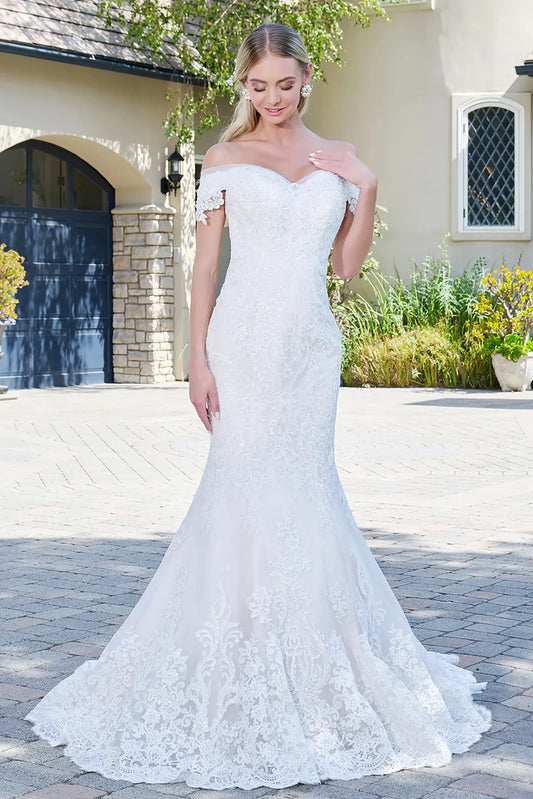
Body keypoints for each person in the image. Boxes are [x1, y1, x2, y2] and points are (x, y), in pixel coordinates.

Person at [26, 22, 491, 791]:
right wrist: (195, 359)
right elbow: (204, 270)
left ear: (306, 78)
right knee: (238, 490)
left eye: (284, 83)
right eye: (257, 85)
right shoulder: (223, 161)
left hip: (309, 348)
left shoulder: (334, 162)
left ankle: (319, 657)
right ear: (244, 86)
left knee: (308, 491)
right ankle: (233, 647)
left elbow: (344, 269)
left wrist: (363, 185)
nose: (271, 98)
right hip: (241, 347)